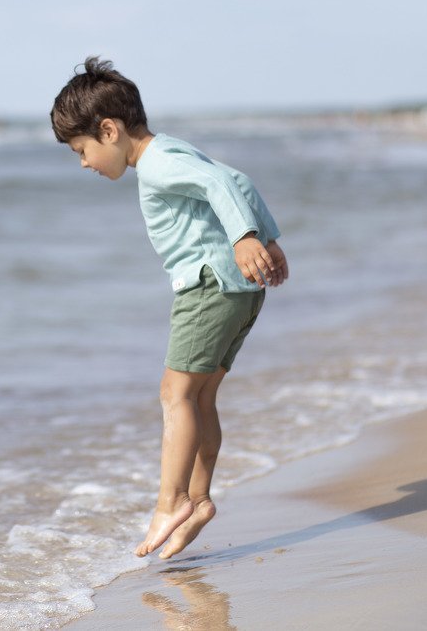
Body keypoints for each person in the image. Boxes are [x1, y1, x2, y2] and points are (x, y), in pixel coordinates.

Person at [50, 57, 289, 560]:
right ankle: (198, 500)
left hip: (207, 287)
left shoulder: (157, 164)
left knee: (174, 394)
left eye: (82, 150)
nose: (85, 163)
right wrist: (265, 238)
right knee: (200, 398)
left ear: (109, 131)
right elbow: (236, 178)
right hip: (238, 290)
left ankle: (172, 501)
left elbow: (220, 186)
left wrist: (246, 237)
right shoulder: (173, 150)